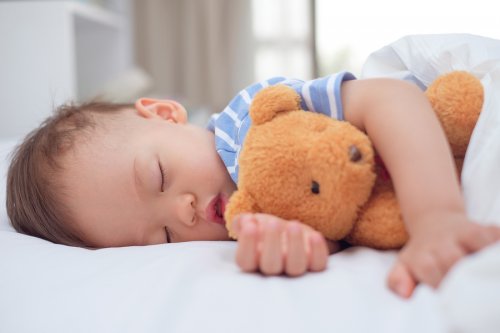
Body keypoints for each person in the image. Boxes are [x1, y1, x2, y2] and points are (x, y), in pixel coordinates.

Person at [7, 71, 500, 300]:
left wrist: (435, 217)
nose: (184, 213)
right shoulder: (245, 227)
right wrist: (303, 246)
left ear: (164, 114)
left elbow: (388, 99)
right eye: (163, 237)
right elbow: (336, 211)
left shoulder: (255, 116)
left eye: (158, 177)